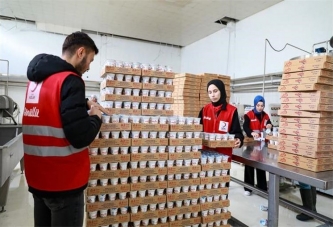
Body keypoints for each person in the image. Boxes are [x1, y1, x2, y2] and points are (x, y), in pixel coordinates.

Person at [22, 32, 102, 227]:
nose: (89, 67)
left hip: (38, 180)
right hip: (64, 182)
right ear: (81, 52)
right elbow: (80, 136)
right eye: (90, 60)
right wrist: (96, 118)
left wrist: (83, 102)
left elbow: (52, 106)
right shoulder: (72, 80)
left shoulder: (35, 82)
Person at [198, 79, 244, 159]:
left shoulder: (232, 111)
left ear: (221, 91)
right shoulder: (204, 110)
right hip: (206, 156)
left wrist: (238, 140)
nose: (212, 95)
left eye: (215, 91)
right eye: (210, 92)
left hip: (224, 157)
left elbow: (237, 133)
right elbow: (197, 130)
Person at [243, 95, 272, 196]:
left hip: (261, 144)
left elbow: (269, 125)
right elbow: (245, 127)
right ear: (255, 105)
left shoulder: (265, 116)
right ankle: (248, 188)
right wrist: (251, 132)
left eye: (262, 105)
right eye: (258, 105)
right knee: (249, 165)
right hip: (251, 144)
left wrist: (270, 125)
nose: (260, 107)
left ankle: (262, 187)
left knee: (261, 165)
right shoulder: (248, 115)